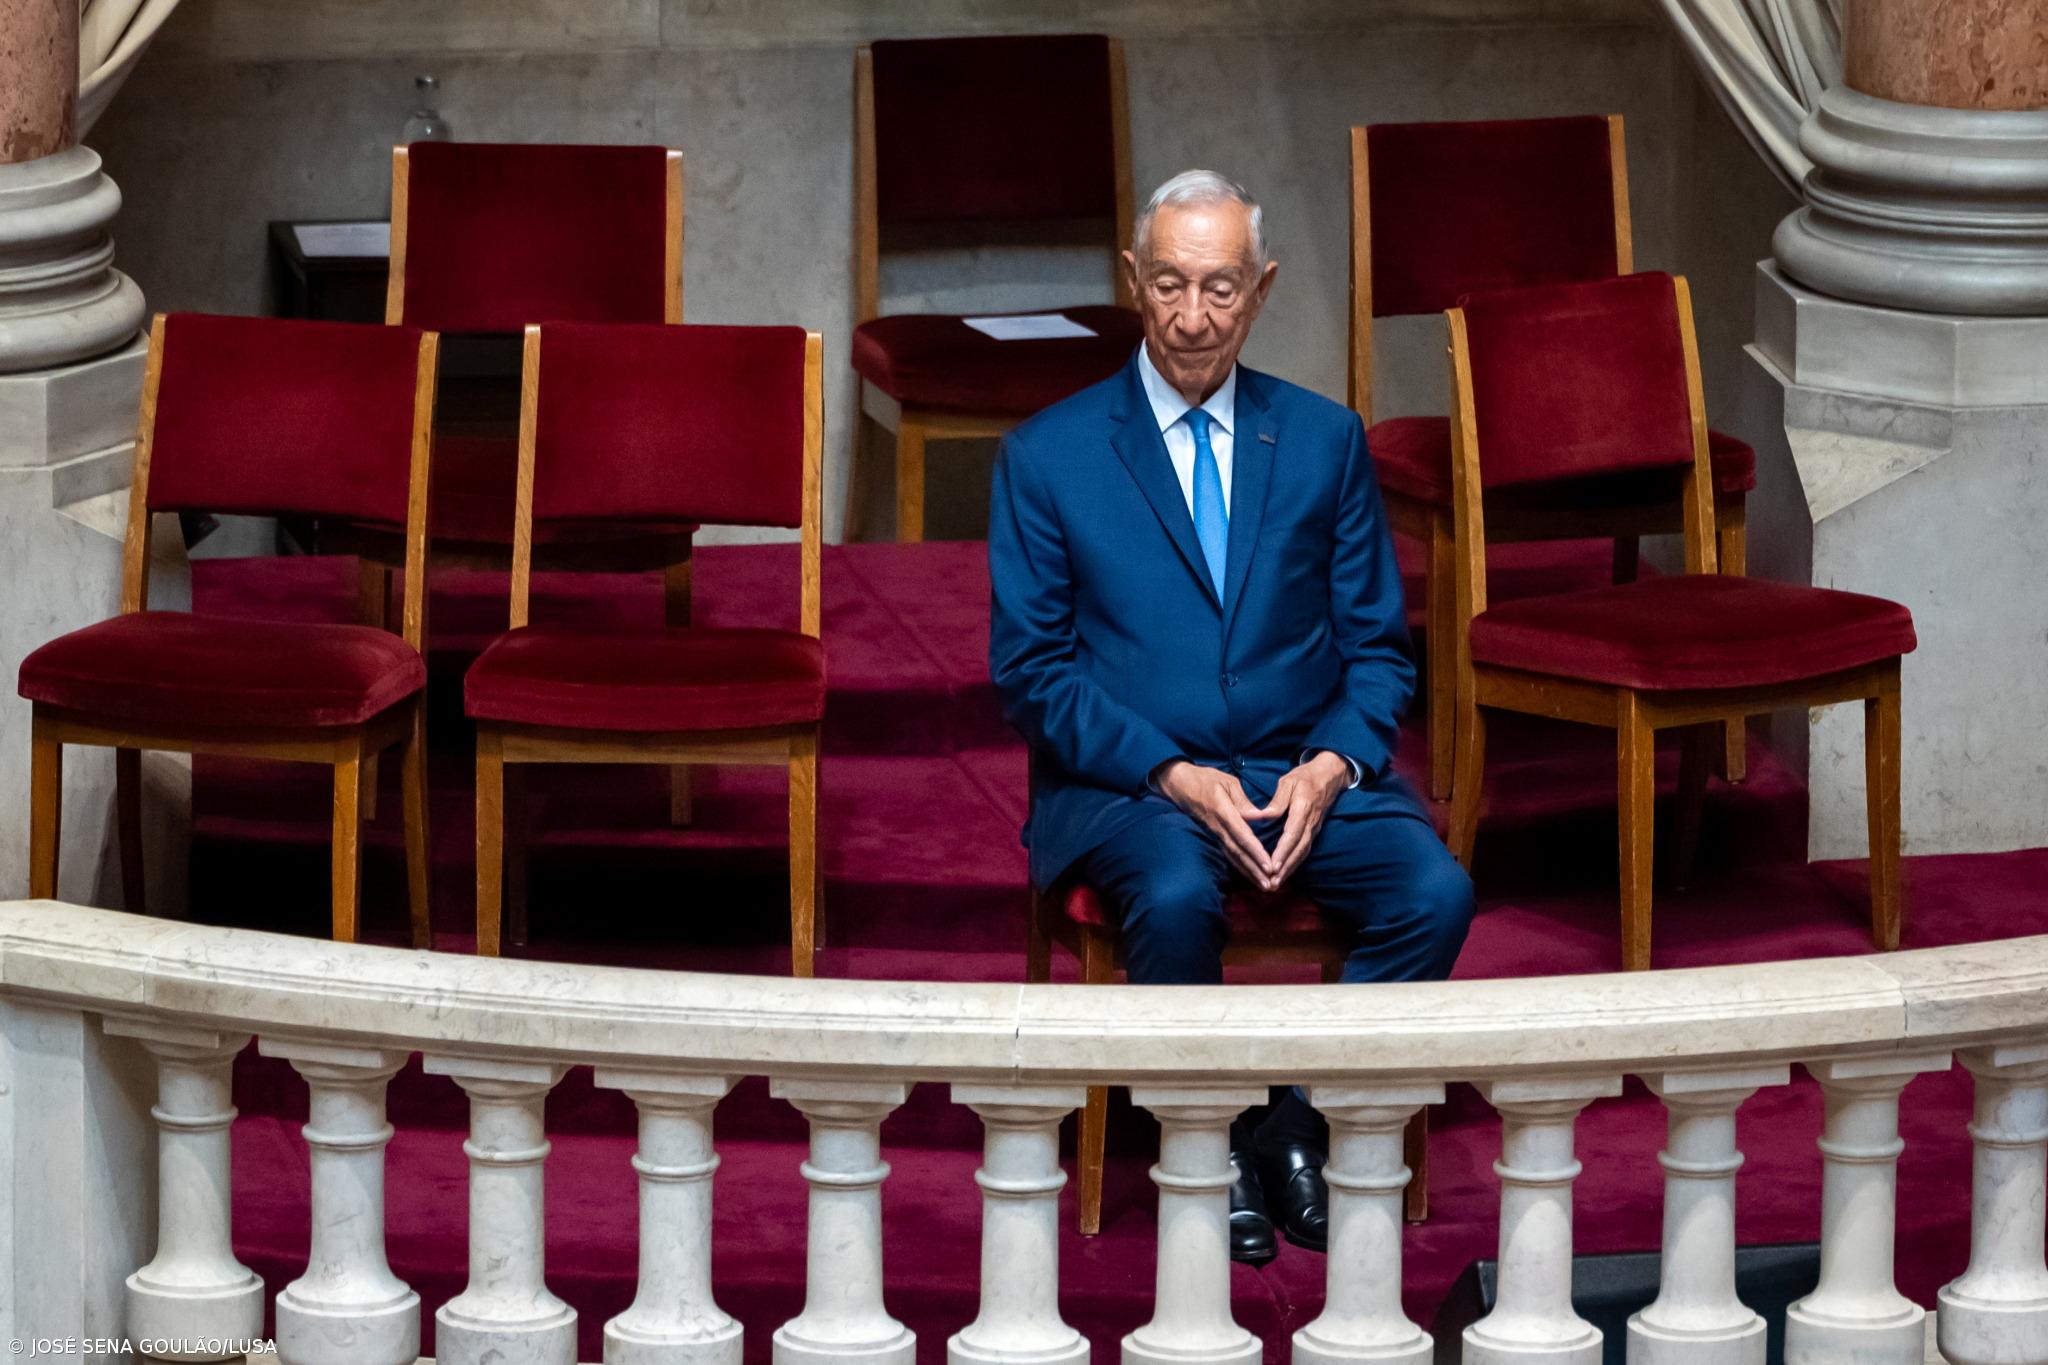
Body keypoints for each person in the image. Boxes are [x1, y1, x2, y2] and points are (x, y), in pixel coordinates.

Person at [987, 170, 1474, 1264]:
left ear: (1261, 290)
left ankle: (1293, 1122)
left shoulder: (1322, 439)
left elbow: (1375, 648)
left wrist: (1332, 765)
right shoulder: (1048, 454)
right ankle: (1207, 1146)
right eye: (1168, 284)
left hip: (1297, 766)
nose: (1192, 317)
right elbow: (1030, 670)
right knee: (1170, 896)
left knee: (1434, 894)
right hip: (1133, 786)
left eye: (1219, 288)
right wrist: (1169, 772)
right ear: (1132, 280)